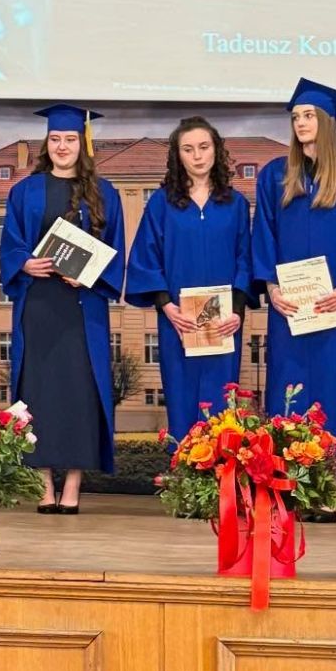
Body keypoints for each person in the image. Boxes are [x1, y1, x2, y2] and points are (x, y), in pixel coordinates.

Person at [0, 105, 124, 514]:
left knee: (79, 394)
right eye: (55, 139)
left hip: (82, 310)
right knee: (38, 394)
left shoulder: (104, 193)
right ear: (46, 144)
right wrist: (24, 264)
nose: (62, 146)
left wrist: (88, 276)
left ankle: (72, 485)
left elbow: (115, 249)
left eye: (70, 139)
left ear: (82, 145)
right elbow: (10, 244)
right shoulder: (25, 191)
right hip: (38, 306)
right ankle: (43, 485)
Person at [251, 78, 336, 444]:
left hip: (335, 305)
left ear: (327, 121)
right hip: (288, 307)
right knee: (286, 388)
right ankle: (281, 473)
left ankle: (330, 473)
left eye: (308, 115)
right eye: (296, 117)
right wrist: (272, 289)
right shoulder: (275, 175)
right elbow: (264, 233)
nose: (300, 123)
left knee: (332, 385)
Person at [124, 117, 252, 442]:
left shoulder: (235, 204)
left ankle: (221, 469)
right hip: (179, 320)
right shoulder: (161, 203)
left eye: (204, 147)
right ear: (177, 155)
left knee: (221, 404)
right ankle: (182, 468)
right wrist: (167, 307)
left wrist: (237, 311)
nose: (197, 156)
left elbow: (245, 258)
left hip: (224, 322)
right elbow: (146, 257)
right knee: (181, 399)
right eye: (188, 149)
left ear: (216, 150)